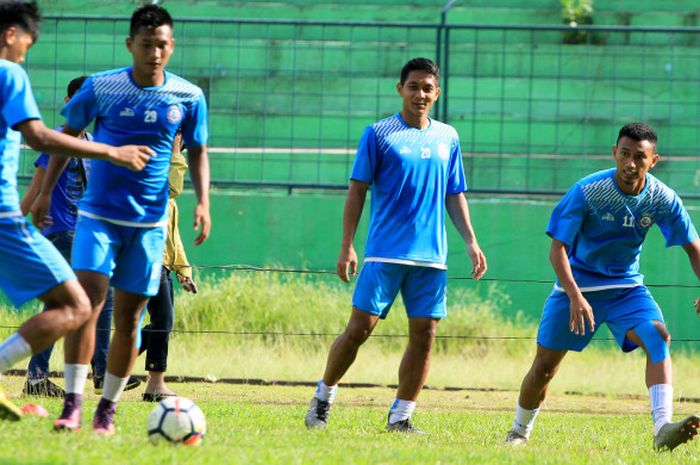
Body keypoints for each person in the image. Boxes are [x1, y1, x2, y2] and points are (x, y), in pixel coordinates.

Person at [32, 4, 210, 435]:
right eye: (146, 44)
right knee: (86, 305)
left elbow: (199, 150)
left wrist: (204, 202)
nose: (154, 53)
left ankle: (105, 411)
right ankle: (73, 404)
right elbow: (64, 139)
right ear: (131, 44)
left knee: (130, 318)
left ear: (172, 46)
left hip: (148, 228)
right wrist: (42, 193)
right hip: (96, 218)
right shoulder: (101, 87)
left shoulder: (188, 96)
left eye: (162, 45)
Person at [303, 57, 487, 433]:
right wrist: (347, 245)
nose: (421, 94)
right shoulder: (379, 133)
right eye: (414, 86)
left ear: (437, 93)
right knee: (359, 329)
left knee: (425, 336)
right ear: (400, 89)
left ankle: (401, 417)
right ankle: (323, 397)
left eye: (428, 88)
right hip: (385, 253)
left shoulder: (448, 137)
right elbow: (357, 190)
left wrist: (470, 241)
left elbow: (455, 193)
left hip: (431, 258)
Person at [504, 123, 700, 451]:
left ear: (654, 160)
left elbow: (694, 248)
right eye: (625, 154)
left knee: (658, 337)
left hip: (627, 289)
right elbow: (558, 251)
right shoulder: (588, 190)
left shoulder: (662, 198)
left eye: (640, 157)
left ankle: (662, 427)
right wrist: (575, 295)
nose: (630, 163)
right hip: (575, 288)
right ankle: (518, 432)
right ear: (614, 152)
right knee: (545, 368)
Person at [0, 0, 151, 421]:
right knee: (77, 306)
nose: (25, 53)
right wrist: (110, 151)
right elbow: (38, 138)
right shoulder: (8, 72)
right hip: (3, 218)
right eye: (28, 43)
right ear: (13, 34)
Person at [20, 76, 140, 398]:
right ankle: (74, 373)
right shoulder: (61, 139)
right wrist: (18, 222)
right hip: (62, 229)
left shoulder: (89, 142)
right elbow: (37, 186)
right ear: (70, 103)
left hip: (84, 229)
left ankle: (51, 375)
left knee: (80, 301)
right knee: (88, 300)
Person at [139, 131, 198, 402]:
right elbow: (172, 188)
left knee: (162, 321)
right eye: (179, 143)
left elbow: (172, 236)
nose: (182, 149)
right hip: (146, 259)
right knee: (163, 320)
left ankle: (107, 361)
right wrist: (175, 151)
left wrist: (184, 271)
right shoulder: (150, 171)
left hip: (161, 262)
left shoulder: (167, 192)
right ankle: (154, 384)